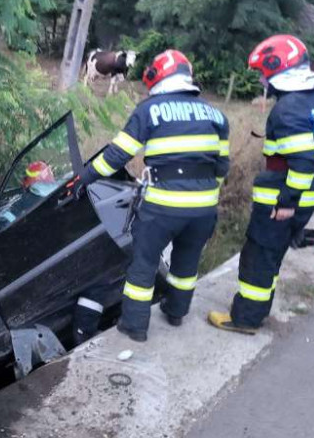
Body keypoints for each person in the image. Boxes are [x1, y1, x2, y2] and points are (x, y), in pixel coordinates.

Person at [73, 50, 230, 342]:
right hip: (205, 207)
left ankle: (134, 325)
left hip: (164, 206)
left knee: (143, 261)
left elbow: (117, 155)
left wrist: (83, 178)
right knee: (187, 261)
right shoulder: (217, 115)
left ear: (157, 78)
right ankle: (176, 311)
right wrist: (204, 194)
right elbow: (222, 166)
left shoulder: (150, 109)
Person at [208, 35, 314, 334]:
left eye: (263, 73)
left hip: (280, 202)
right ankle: (258, 310)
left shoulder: (288, 109)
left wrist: (286, 202)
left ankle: (244, 319)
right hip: (309, 198)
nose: (261, 79)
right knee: (273, 255)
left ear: (277, 68)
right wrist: (308, 188)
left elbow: (303, 161)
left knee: (259, 256)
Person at [0, 161, 57, 227]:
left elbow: (11, 214)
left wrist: (1, 222)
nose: (24, 180)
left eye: (27, 177)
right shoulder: (58, 191)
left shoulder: (29, 199)